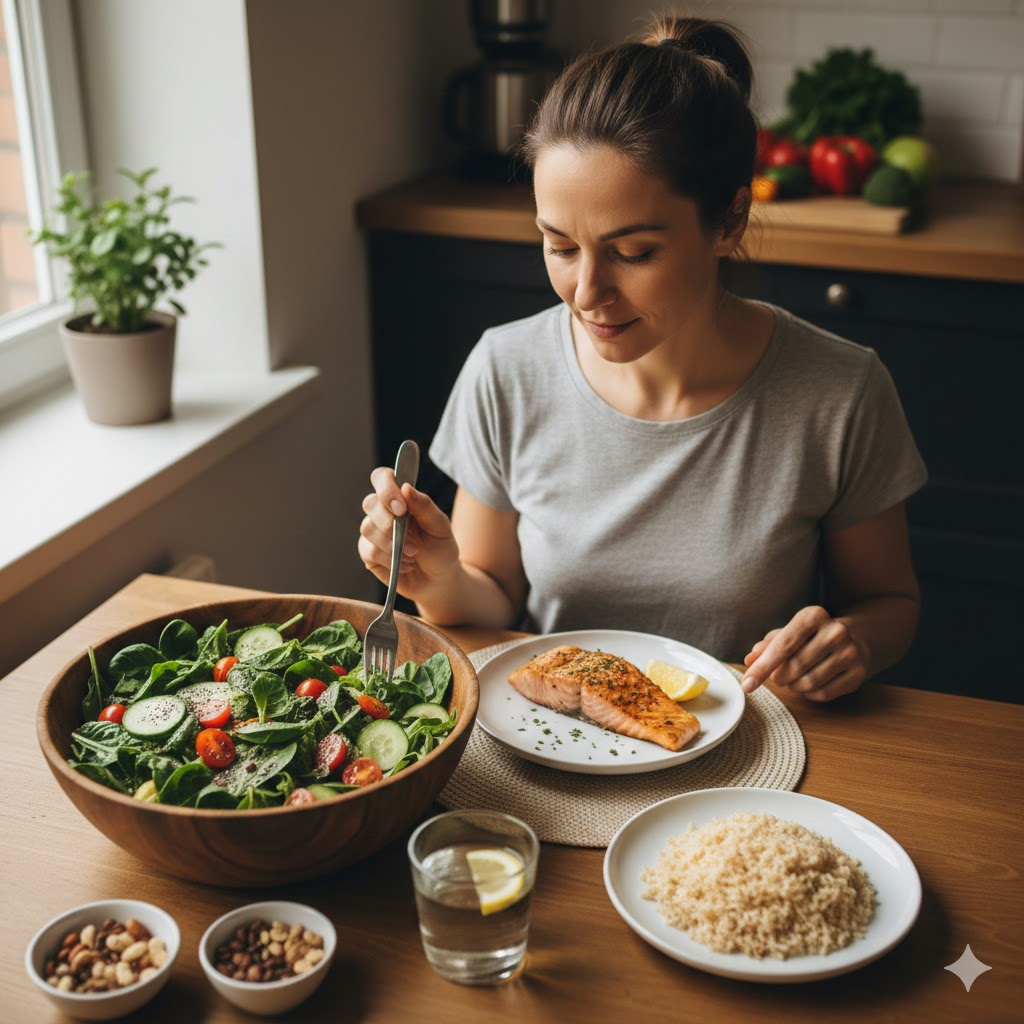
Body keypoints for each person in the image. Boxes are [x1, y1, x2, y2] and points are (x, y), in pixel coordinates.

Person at [358, 16, 926, 703]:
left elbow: (891, 603)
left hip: (753, 754)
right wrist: (434, 575)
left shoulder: (840, 391)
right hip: (555, 741)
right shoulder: (505, 370)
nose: (587, 293)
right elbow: (495, 602)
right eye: (560, 246)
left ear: (729, 221)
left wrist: (853, 639)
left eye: (634, 253)